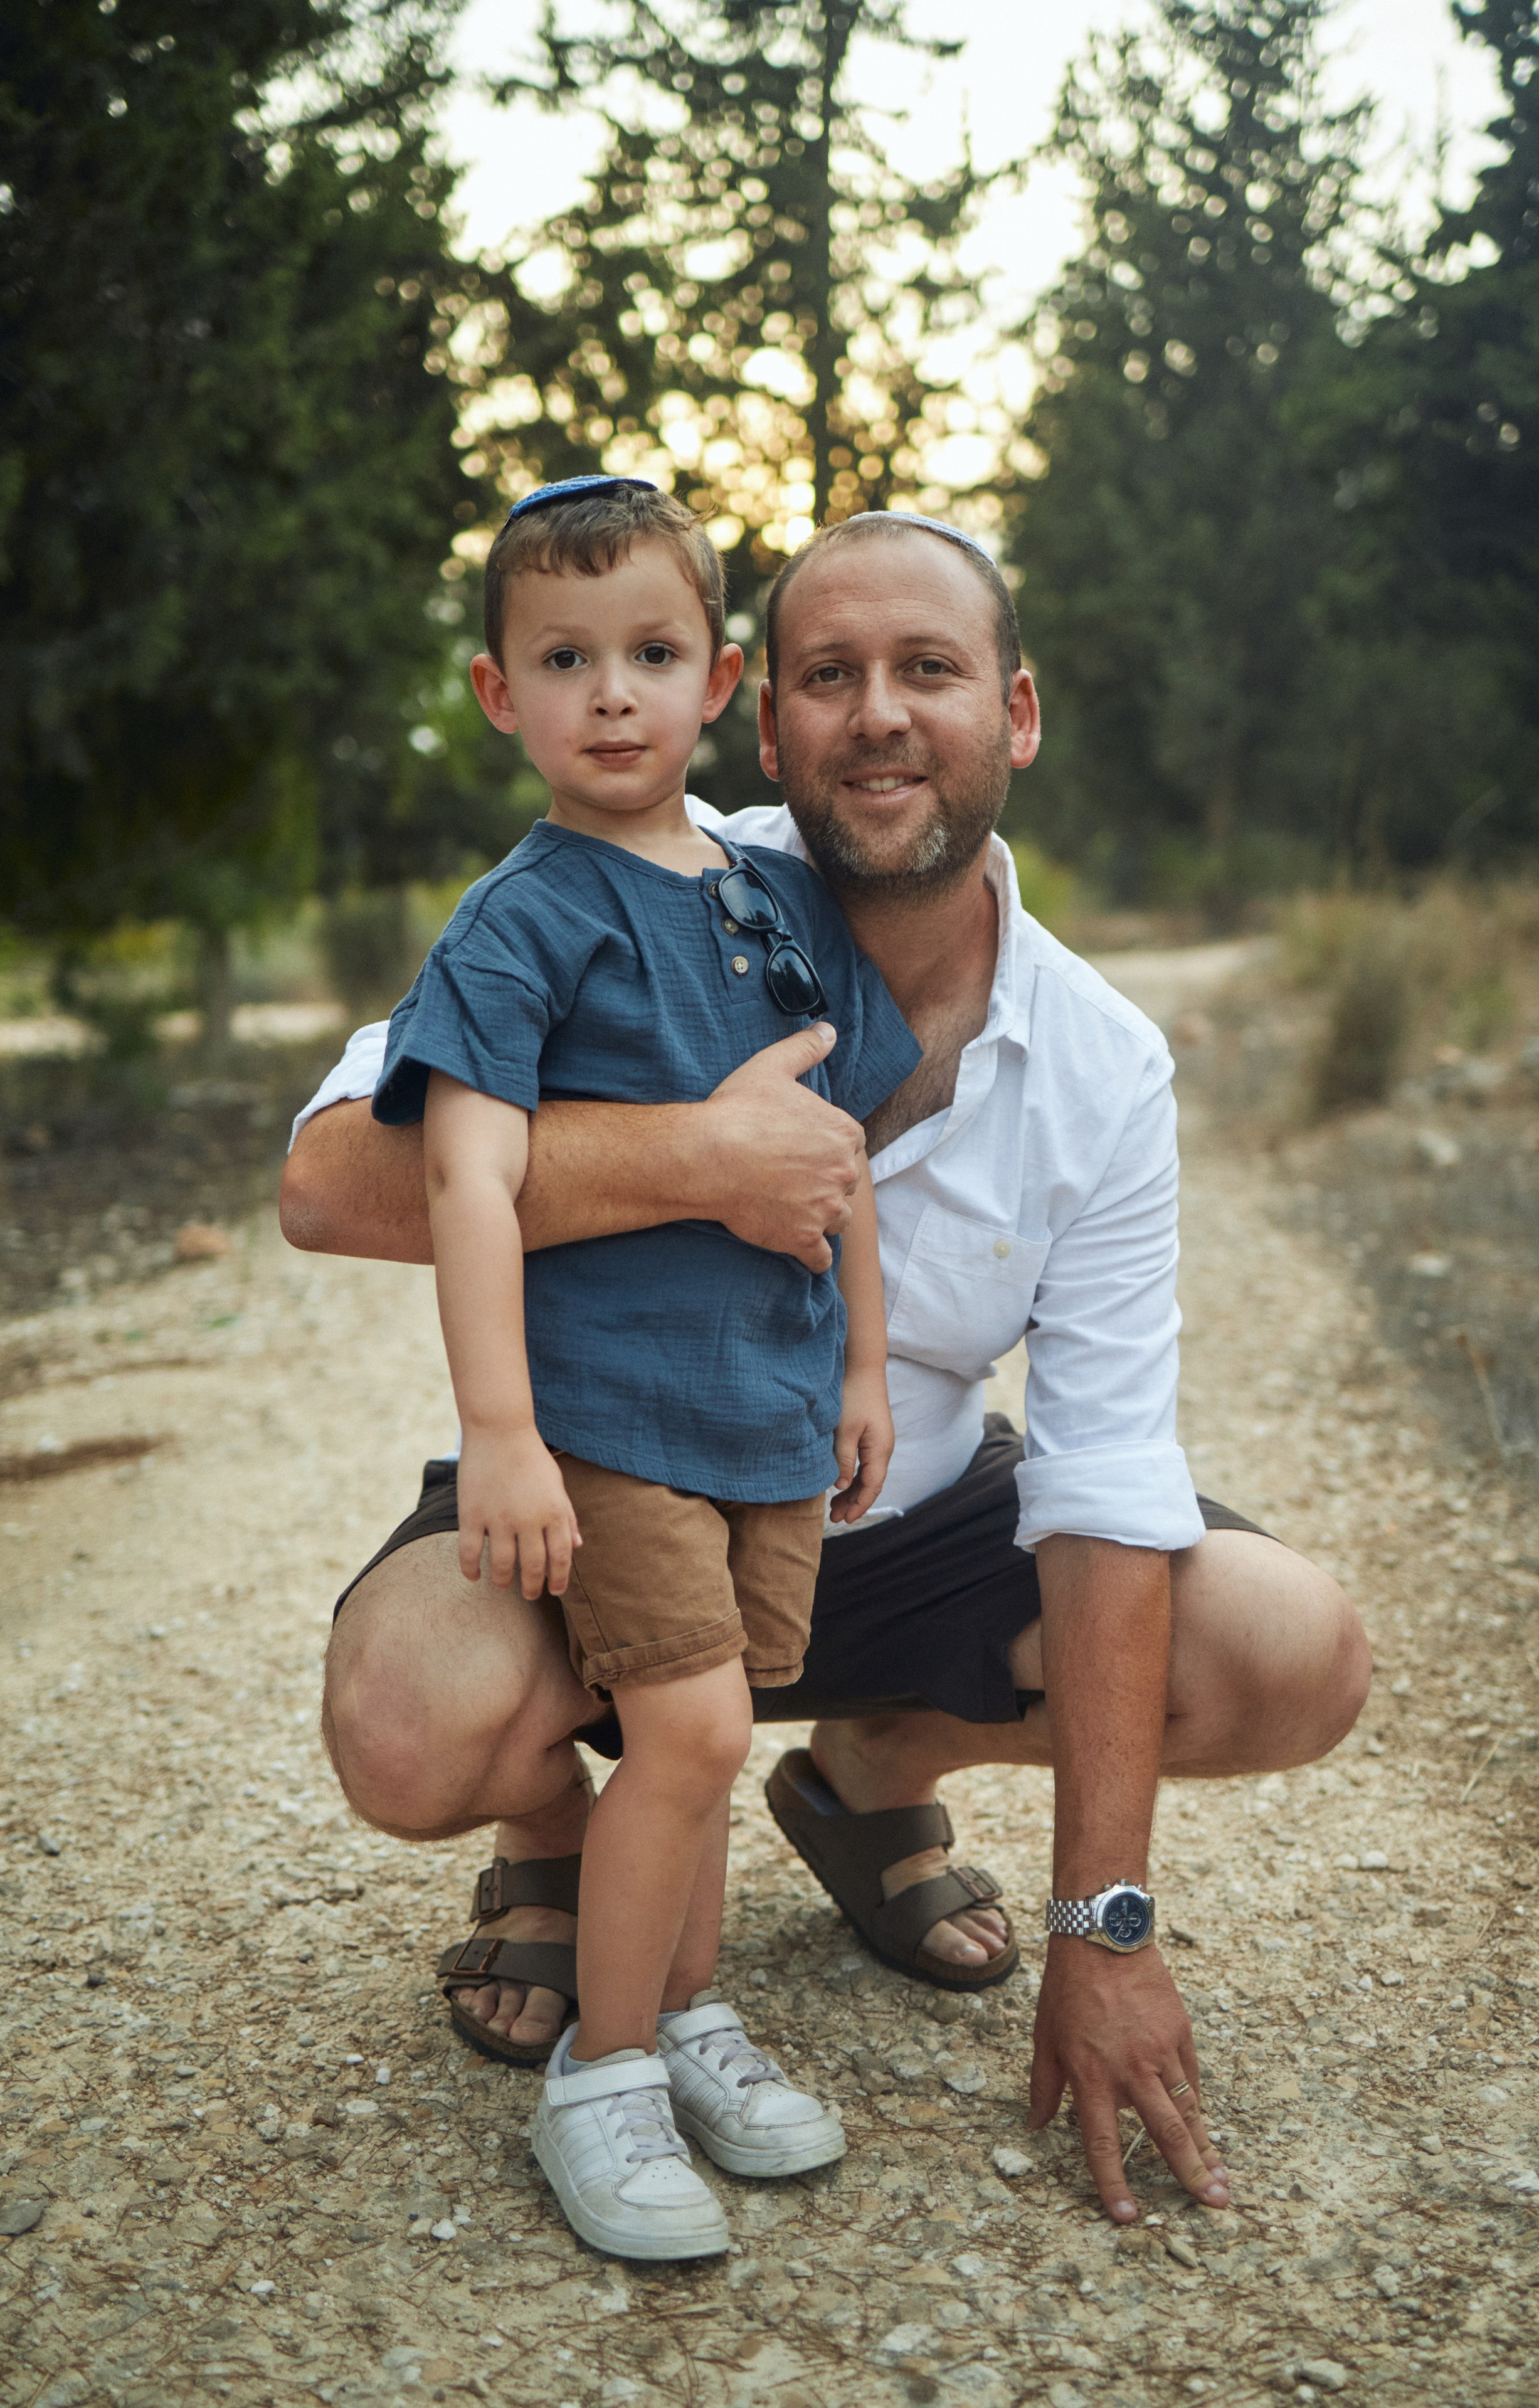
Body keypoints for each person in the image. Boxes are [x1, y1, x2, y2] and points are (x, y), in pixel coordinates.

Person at [282, 503, 1372, 2227]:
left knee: (1291, 1652)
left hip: (893, 1508)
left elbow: (1103, 1482)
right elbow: (333, 1179)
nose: (879, 715)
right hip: (625, 1469)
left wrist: (1104, 1925)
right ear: (767, 723)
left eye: (929, 669)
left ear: (1016, 713)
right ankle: (565, 1849)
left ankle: (871, 1775)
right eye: (831, 676)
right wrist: (690, 1160)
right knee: (408, 1726)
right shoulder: (624, 868)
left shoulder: (1101, 1063)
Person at [370, 475, 924, 2262]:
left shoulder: (778, 900)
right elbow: (469, 1182)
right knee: (688, 1730)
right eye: (564, 659)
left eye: (652, 654)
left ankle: (683, 2015)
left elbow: (837, 1148)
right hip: (613, 1418)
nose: (611, 694)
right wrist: (500, 1433)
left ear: (719, 681)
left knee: (711, 1735)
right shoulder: (519, 922)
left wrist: (865, 1366)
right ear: (498, 693)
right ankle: (600, 2079)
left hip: (768, 1411)